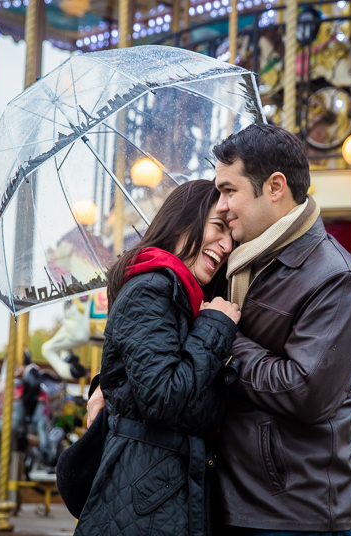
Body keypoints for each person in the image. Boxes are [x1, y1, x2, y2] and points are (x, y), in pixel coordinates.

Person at [210, 124, 351, 536]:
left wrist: (220, 336)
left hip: (293, 510)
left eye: (229, 191)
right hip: (228, 496)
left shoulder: (334, 277)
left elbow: (304, 391)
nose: (221, 205)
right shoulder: (237, 259)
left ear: (275, 186)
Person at [73, 179, 241, 536]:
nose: (226, 245)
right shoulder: (152, 288)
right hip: (144, 494)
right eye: (218, 227)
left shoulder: (183, 292)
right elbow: (164, 397)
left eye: (233, 237)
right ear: (182, 222)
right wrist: (215, 326)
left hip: (163, 486)